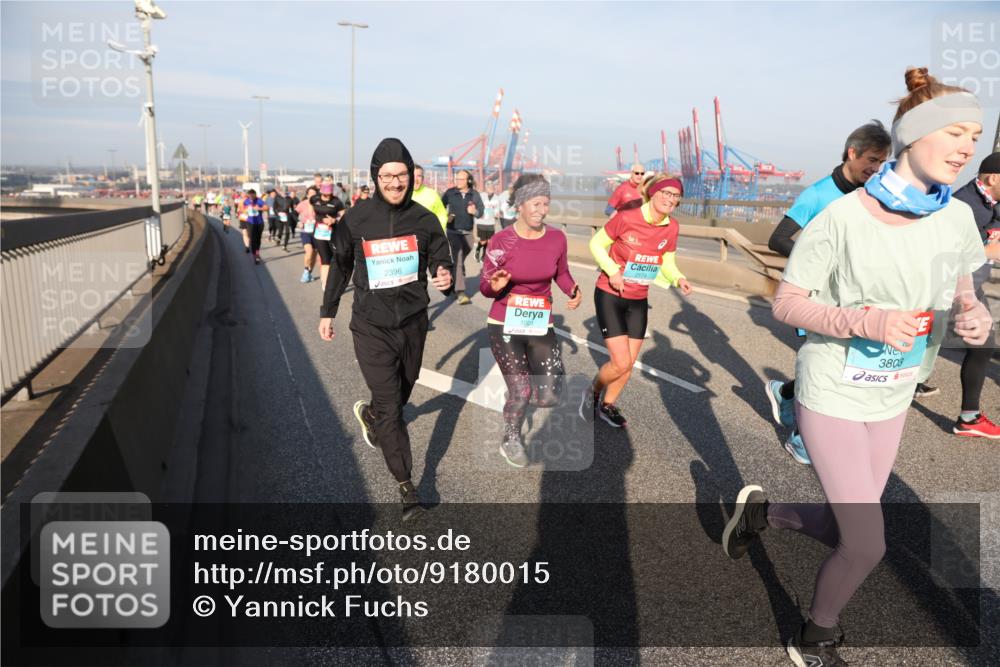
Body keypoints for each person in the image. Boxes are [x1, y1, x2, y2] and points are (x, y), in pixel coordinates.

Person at [723, 68, 990, 667]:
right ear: (912, 136)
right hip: (833, 391)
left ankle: (764, 514)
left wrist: (974, 318)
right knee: (868, 544)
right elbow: (787, 302)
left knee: (851, 528)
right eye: (955, 132)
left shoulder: (954, 218)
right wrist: (864, 321)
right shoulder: (843, 218)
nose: (968, 146)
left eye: (974, 134)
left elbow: (964, 287)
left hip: (891, 396)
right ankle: (814, 633)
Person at [319, 138, 453, 521]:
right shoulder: (357, 219)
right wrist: (327, 311)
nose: (395, 182)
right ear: (375, 177)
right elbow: (341, 265)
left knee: (400, 394)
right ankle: (406, 486)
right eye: (387, 175)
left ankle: (374, 417)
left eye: (402, 175)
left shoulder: (424, 219)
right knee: (393, 404)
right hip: (370, 326)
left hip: (413, 323)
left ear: (411, 176)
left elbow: (440, 256)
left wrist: (443, 272)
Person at [765, 120, 892, 464]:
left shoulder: (872, 194)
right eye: (872, 159)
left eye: (882, 162)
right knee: (826, 370)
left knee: (838, 367)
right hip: (813, 299)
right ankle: (801, 439)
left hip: (852, 300)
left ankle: (786, 393)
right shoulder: (818, 194)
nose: (876, 169)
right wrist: (819, 265)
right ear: (852, 152)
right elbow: (777, 239)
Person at [480, 174, 581, 466]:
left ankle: (521, 397)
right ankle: (510, 437)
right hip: (504, 324)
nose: (542, 209)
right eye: (536, 203)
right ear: (520, 204)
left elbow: (561, 272)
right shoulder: (501, 241)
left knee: (548, 396)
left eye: (546, 203)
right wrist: (494, 286)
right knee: (522, 390)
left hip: (540, 323)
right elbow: (487, 286)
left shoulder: (556, 238)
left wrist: (572, 289)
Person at [580, 173, 693, 428]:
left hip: (638, 299)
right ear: (653, 193)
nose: (670, 199)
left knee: (628, 364)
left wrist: (678, 279)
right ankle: (591, 392)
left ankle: (607, 406)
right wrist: (613, 270)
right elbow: (596, 244)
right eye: (666, 193)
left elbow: (666, 260)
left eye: (675, 196)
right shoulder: (627, 217)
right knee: (619, 362)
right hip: (611, 294)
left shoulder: (672, 227)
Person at [949, 151, 1000, 438]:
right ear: (992, 178)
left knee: (984, 344)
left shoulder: (993, 201)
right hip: (946, 288)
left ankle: (969, 417)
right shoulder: (963, 205)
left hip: (971, 287)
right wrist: (987, 251)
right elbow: (939, 251)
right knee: (913, 353)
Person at [441, 169, 485, 304]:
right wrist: (446, 217)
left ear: (468, 181)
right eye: (457, 179)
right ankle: (460, 292)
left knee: (459, 260)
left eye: (461, 179)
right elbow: (440, 208)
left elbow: (481, 212)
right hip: (453, 232)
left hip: (468, 233)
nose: (458, 181)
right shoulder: (450, 193)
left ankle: (455, 273)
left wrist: (475, 211)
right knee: (458, 259)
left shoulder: (474, 194)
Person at [311, 183, 346, 291]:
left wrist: (334, 220)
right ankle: (325, 284)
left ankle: (335, 280)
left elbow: (343, 214)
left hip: (333, 233)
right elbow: (311, 209)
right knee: (325, 259)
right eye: (325, 194)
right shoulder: (314, 199)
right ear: (321, 192)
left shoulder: (336, 201)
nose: (327, 196)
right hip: (319, 233)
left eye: (329, 194)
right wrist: (314, 219)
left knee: (336, 258)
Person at [411, 165, 448, 231]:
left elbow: (441, 215)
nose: (416, 179)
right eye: (413, 176)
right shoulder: (401, 194)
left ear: (423, 178)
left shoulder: (432, 194)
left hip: (428, 235)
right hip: (407, 236)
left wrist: (437, 231)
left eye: (419, 176)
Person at [296, 185, 319, 283]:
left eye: (314, 194)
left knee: (314, 254)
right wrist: (299, 222)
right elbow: (294, 214)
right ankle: (306, 270)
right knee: (309, 251)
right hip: (305, 231)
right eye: (310, 194)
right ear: (307, 194)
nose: (312, 195)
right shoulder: (302, 204)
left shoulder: (319, 204)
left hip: (317, 231)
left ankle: (309, 272)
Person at [475, 180, 502, 262]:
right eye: (489, 187)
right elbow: (475, 206)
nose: (491, 188)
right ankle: (477, 250)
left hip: (491, 222)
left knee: (489, 242)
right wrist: (479, 213)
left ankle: (484, 256)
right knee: (483, 241)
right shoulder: (481, 196)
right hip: (481, 222)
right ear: (486, 188)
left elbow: (497, 210)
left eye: (492, 187)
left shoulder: (497, 198)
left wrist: (497, 214)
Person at [240, 188, 267, 264]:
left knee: (258, 240)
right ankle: (255, 255)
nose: (251, 197)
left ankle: (257, 253)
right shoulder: (246, 201)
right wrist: (247, 210)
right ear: (248, 195)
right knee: (252, 239)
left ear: (255, 194)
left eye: (252, 195)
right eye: (250, 195)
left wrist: (259, 208)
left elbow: (266, 208)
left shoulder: (259, 200)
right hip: (250, 223)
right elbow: (243, 210)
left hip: (259, 223)